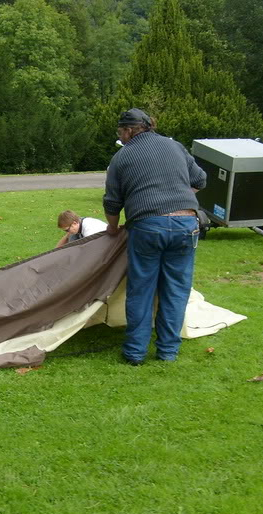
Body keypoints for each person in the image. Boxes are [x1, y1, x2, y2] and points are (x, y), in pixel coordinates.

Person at [103, 108, 207, 365]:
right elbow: (200, 180)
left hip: (147, 226)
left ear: (128, 130)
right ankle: (168, 352)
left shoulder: (122, 156)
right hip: (186, 224)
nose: (121, 137)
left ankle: (135, 353)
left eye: (120, 133)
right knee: (176, 291)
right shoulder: (175, 147)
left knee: (141, 290)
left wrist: (113, 229)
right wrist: (180, 194)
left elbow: (112, 201)